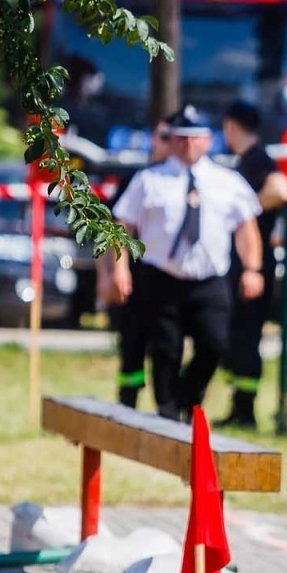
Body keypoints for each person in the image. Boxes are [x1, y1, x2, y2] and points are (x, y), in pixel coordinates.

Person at [109, 105, 265, 421]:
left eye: (194, 138)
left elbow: (246, 227)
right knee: (165, 348)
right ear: (171, 141)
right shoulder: (149, 179)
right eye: (180, 138)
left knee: (215, 343)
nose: (188, 145)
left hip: (209, 279)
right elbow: (122, 226)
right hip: (162, 277)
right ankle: (167, 410)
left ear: (207, 140)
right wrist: (120, 267)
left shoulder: (227, 180)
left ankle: (188, 397)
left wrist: (252, 269)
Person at [218, 100, 287, 430]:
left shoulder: (259, 160)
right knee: (237, 335)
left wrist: (245, 210)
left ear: (231, 127)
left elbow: (281, 190)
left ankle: (245, 410)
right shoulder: (248, 160)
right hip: (245, 263)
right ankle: (239, 405)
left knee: (247, 335)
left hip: (255, 263)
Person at [103, 118, 172, 408]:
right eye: (164, 136)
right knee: (131, 342)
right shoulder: (138, 180)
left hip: (167, 282)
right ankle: (126, 401)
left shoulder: (190, 181)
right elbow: (110, 230)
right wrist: (106, 274)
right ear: (153, 140)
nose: (170, 142)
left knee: (166, 346)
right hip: (133, 276)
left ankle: (167, 409)